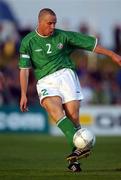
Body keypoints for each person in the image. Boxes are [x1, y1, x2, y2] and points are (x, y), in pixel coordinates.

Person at [19, 8, 121, 172]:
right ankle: (82, 147)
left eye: (54, 23)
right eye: (49, 23)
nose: (53, 26)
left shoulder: (64, 36)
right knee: (55, 112)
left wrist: (112, 54)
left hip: (66, 75)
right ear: (40, 22)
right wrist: (23, 93)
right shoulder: (28, 41)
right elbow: (24, 69)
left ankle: (75, 160)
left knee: (73, 119)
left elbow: (91, 45)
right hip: (45, 82)